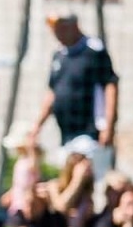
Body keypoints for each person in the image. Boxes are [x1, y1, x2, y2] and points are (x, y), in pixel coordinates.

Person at [35, 11, 118, 178]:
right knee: (67, 179)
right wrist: (37, 126)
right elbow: (52, 92)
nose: (56, 33)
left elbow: (110, 85)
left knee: (82, 178)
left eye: (60, 28)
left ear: (73, 26)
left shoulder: (93, 51)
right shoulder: (59, 55)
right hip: (66, 133)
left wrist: (108, 125)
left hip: (90, 131)